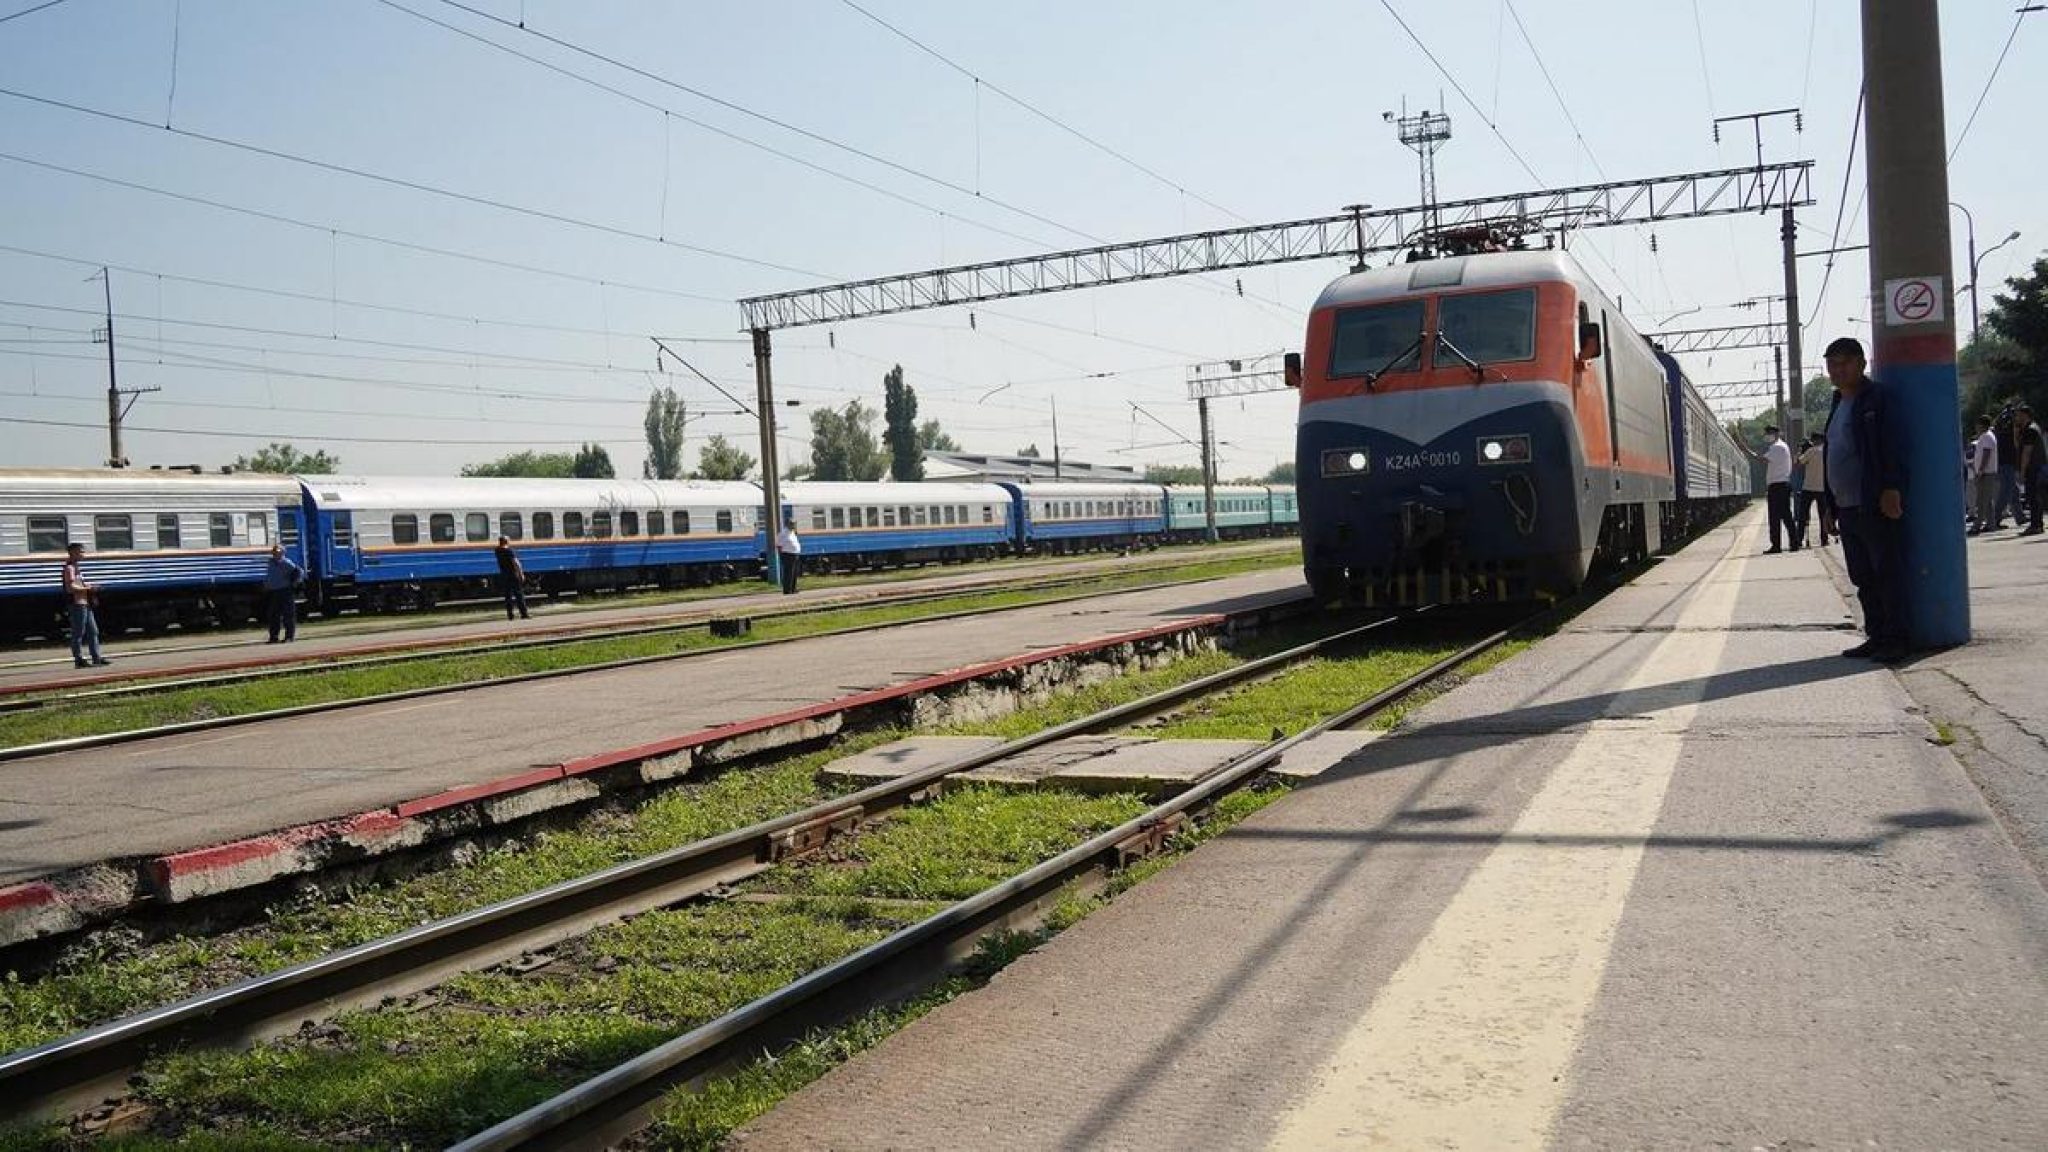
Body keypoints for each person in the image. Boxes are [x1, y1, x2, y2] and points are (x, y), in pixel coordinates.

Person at [1821, 336, 1907, 662]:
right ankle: (1876, 635)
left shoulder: (1876, 400)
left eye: (1844, 363)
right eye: (1832, 364)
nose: (1838, 370)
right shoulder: (1837, 404)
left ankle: (1896, 638)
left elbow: (1890, 446)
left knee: (1886, 573)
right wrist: (1829, 507)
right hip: (1846, 507)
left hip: (1872, 503)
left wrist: (1891, 488)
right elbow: (1833, 456)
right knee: (1863, 577)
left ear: (1861, 364)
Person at [61, 541, 110, 668]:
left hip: (84, 603)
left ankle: (96, 657)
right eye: (81, 551)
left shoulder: (76, 568)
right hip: (77, 604)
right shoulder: (69, 568)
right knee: (78, 632)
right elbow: (70, 588)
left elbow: (79, 584)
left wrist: (89, 587)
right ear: (73, 552)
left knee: (93, 631)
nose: (83, 554)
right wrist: (89, 589)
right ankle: (79, 659)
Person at [1752, 424, 1795, 552]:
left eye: (1767, 434)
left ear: (1774, 434)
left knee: (1775, 517)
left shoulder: (1777, 447)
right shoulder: (1783, 446)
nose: (1766, 437)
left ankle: (1777, 546)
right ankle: (1794, 543)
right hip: (1782, 485)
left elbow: (1761, 459)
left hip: (1778, 486)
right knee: (1786, 516)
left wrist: (1745, 449)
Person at [2016, 405, 2047, 537]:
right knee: (2035, 496)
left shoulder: (2030, 430)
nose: (2017, 417)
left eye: (2019, 415)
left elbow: (2027, 452)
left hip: (2033, 468)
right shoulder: (2032, 428)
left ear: (2025, 415)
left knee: (2032, 496)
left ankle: (2036, 525)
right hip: (2037, 467)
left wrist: (2022, 471)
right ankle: (2037, 524)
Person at [262, 543, 304, 643]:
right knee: (273, 615)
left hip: (285, 591)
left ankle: (289, 637)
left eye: (278, 552)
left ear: (283, 553)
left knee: (288, 615)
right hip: (273, 592)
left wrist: (294, 584)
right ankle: (274, 637)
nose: (276, 554)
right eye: (275, 552)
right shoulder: (271, 563)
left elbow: (299, 572)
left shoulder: (286, 562)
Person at [1795, 433, 1830, 548]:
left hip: (1808, 487)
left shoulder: (1811, 451)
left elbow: (1798, 463)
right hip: (1822, 488)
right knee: (1823, 515)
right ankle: (1824, 539)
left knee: (1803, 515)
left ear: (1815, 440)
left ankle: (1799, 539)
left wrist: (1800, 451)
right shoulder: (1827, 451)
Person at [1968, 415, 2000, 536]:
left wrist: (1980, 470)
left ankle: (1977, 526)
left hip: (1986, 473)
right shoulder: (1985, 436)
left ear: (1982, 425)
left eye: (1977, 424)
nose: (1976, 427)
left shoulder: (1986, 436)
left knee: (1982, 500)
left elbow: (1986, 454)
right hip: (1985, 472)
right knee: (1987, 500)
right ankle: (1991, 524)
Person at [494, 535, 530, 620]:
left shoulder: (497, 551)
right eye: (509, 540)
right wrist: (521, 573)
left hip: (504, 574)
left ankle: (510, 615)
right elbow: (516, 563)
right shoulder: (509, 551)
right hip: (513, 574)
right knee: (519, 594)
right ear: (506, 541)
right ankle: (524, 614)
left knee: (508, 596)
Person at [775, 520, 802, 595]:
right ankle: (787, 590)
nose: (794, 526)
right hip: (787, 554)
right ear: (788, 524)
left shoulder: (792, 532)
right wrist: (781, 555)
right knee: (788, 573)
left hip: (795, 554)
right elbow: (778, 545)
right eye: (792, 524)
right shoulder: (783, 533)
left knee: (794, 573)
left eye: (794, 524)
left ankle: (793, 588)